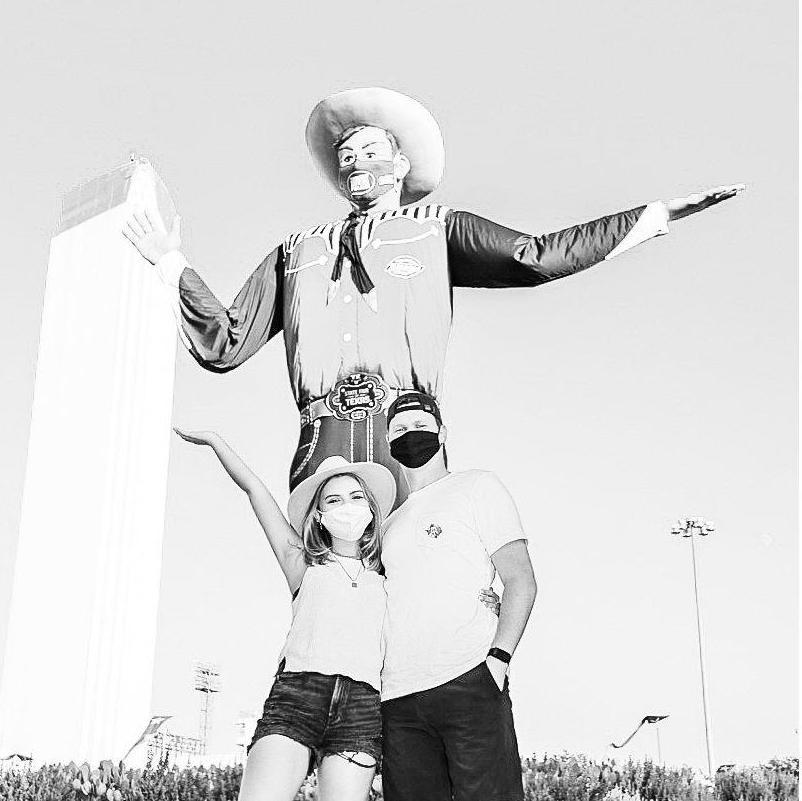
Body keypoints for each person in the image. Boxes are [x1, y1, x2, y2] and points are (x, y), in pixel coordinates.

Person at [123, 88, 744, 500]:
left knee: (419, 581)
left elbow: (536, 256)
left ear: (399, 167)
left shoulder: (436, 229)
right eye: (345, 152)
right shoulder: (297, 252)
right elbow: (226, 343)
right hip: (320, 438)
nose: (354, 159)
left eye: (370, 148)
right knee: (329, 596)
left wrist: (654, 216)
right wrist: (171, 264)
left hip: (407, 426)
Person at [172, 427, 500, 801]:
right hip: (297, 698)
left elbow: (435, 590)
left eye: (357, 497)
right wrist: (217, 439)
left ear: (372, 511)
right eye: (335, 500)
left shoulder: (389, 577)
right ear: (319, 516)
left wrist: (487, 600)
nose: (347, 506)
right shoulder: (303, 566)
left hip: (361, 710)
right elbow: (255, 490)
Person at [379, 392, 537, 801]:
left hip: (469, 680)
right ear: (388, 441)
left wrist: (497, 661)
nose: (410, 435)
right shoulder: (389, 524)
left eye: (419, 426)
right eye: (399, 429)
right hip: (399, 700)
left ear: (442, 433)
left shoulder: (477, 486)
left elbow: (520, 578)